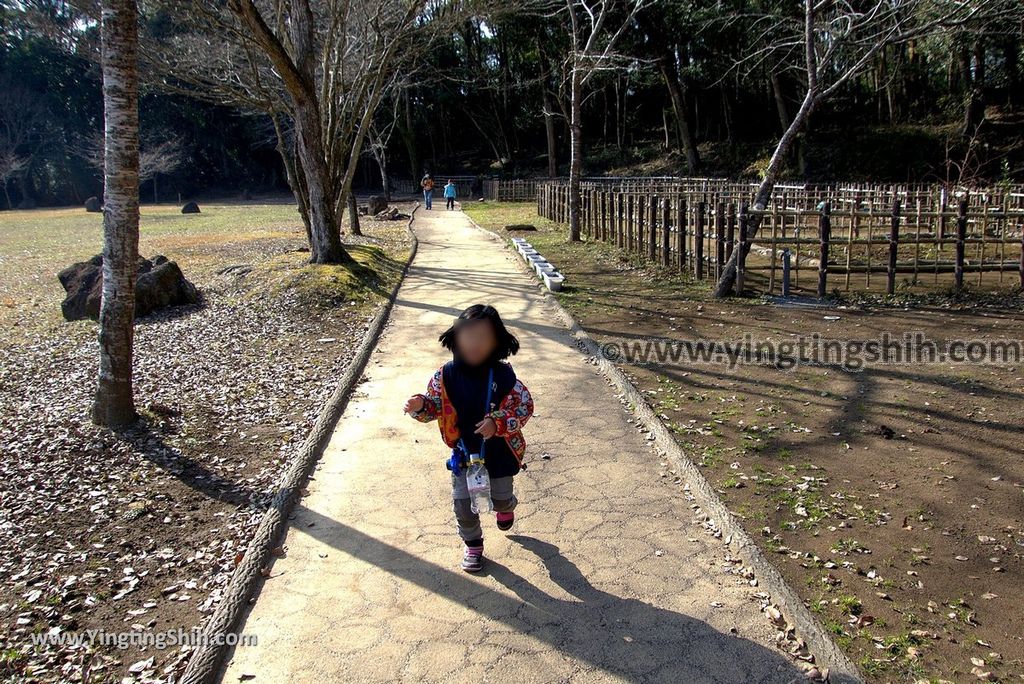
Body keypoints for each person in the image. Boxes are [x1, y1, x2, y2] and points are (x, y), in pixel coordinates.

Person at [404, 305, 534, 573]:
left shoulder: (504, 376)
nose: (475, 344)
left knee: (500, 497)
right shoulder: (446, 375)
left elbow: (524, 407)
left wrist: (497, 423)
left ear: (497, 342)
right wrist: (420, 406)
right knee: (463, 505)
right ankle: (473, 545)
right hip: (465, 454)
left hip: (499, 452)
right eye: (468, 336)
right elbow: (434, 408)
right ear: (455, 337)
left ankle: (505, 506)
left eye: (483, 338)